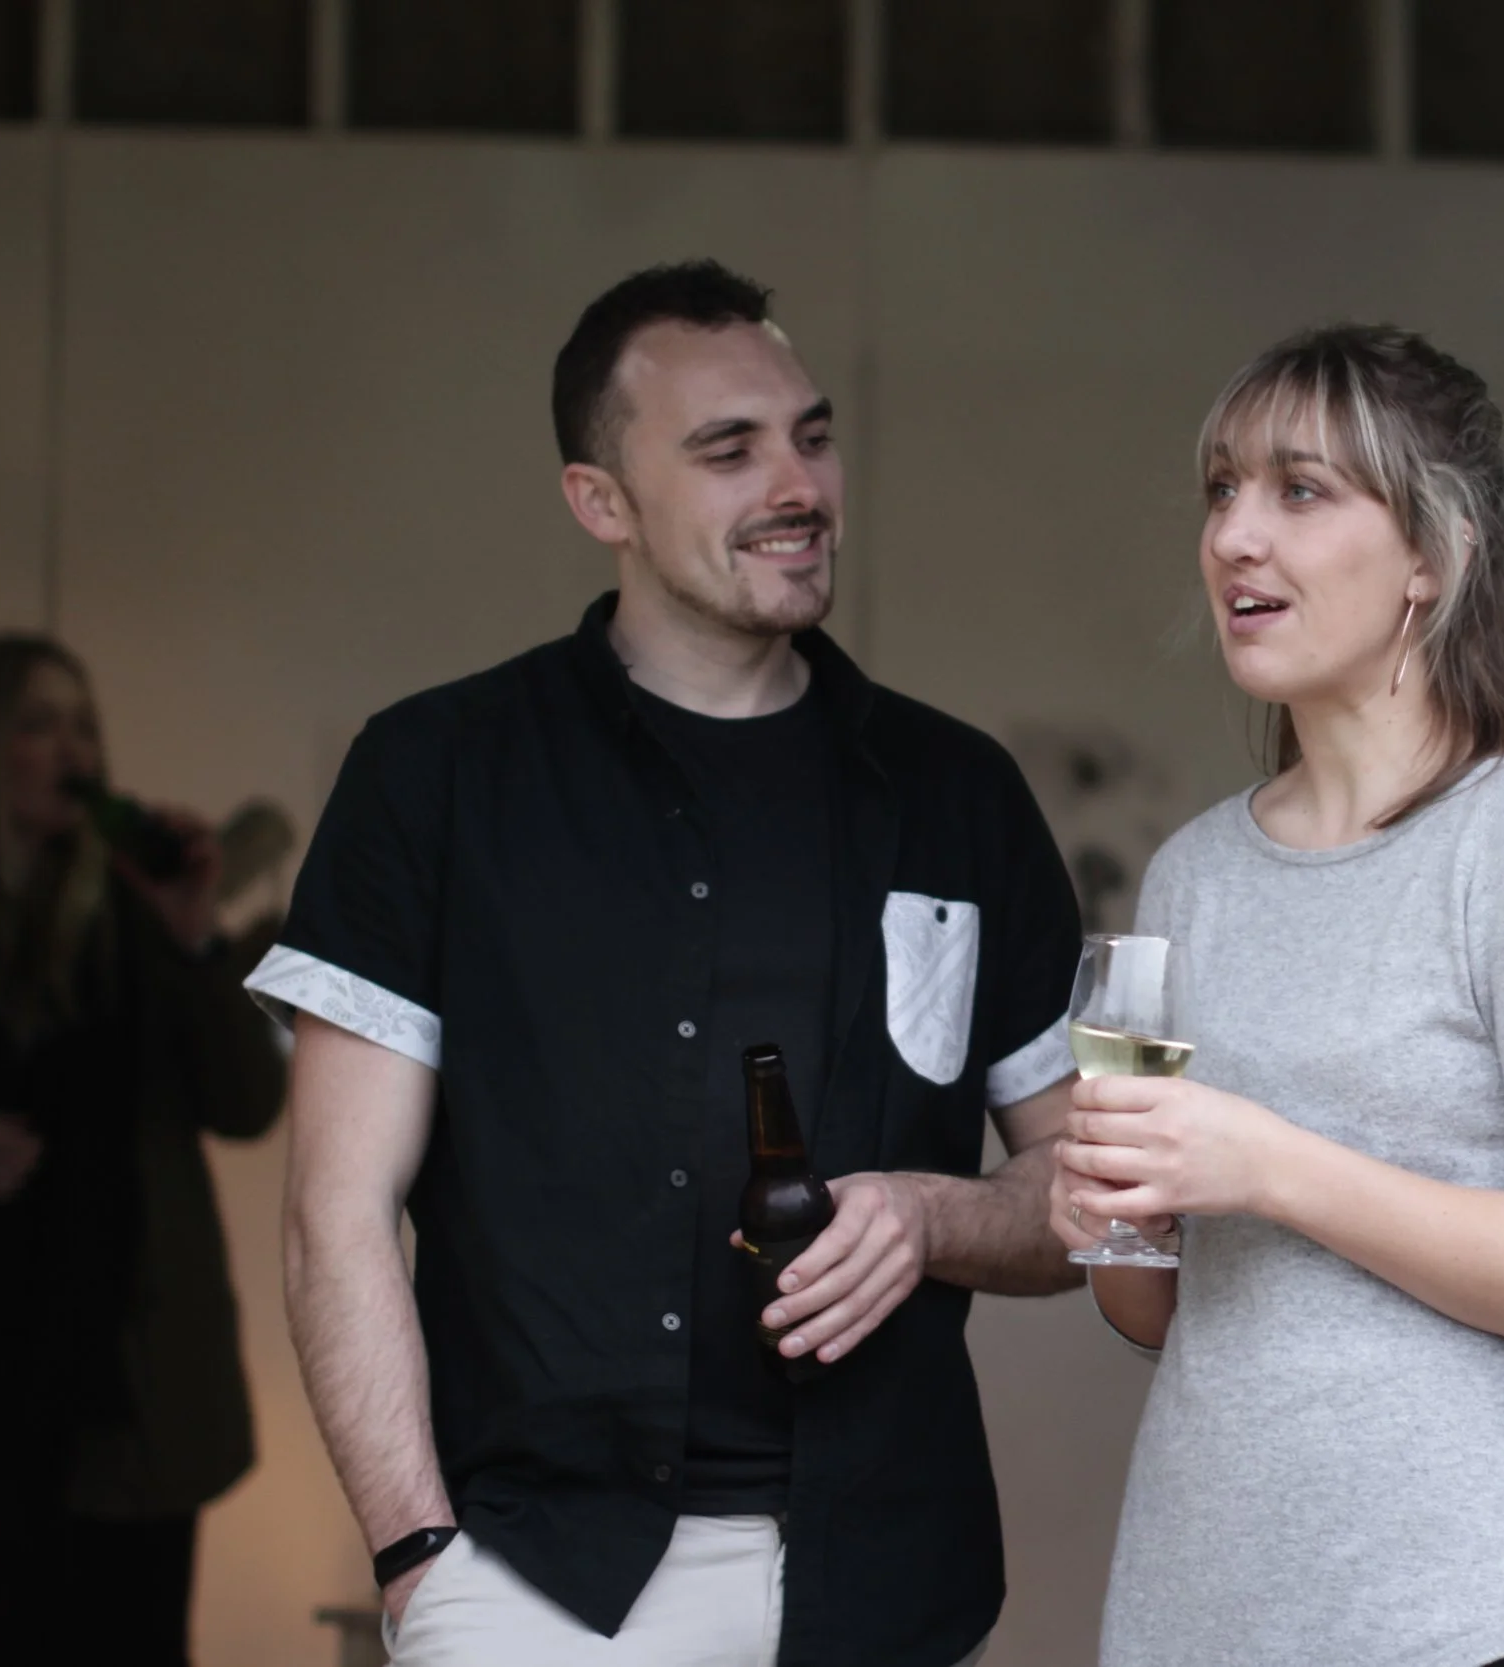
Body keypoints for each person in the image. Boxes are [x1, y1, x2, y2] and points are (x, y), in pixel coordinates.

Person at [254, 260, 1084, 1667]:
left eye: (811, 436)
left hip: (884, 1579)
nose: (798, 484)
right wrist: (415, 1558)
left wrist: (931, 1215)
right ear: (603, 502)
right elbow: (335, 1211)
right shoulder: (435, 773)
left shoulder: (958, 792)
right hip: (536, 1583)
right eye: (728, 449)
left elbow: (1085, 1202)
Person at [1055, 325, 1504, 1667]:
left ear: (1433, 554)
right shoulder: (1194, 876)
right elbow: (1163, 1313)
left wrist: (1269, 1164)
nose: (1235, 535)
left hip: (1483, 1617)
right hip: (1205, 1617)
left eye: (1300, 490)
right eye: (1223, 489)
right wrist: (1114, 1227)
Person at [0, 634, 286, 1667]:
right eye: (39, 723)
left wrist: (194, 935)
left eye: (85, 724)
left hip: (128, 1382)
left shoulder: (135, 902)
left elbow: (244, 1102)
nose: (74, 750)